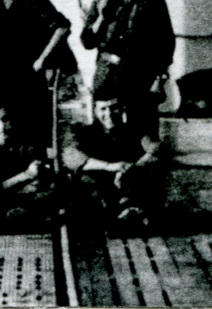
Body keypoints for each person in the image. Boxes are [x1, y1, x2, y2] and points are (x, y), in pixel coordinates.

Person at [80, 0, 175, 140]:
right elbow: (87, 42)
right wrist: (101, 17)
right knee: (106, 130)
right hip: (107, 75)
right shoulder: (100, 1)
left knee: (143, 129)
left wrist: (159, 78)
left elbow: (166, 42)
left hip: (141, 74)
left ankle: (142, 168)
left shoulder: (152, 0)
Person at [0, 0, 75, 146]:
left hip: (28, 76)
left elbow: (63, 27)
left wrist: (42, 59)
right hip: (1, 76)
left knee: (31, 129)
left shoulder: (34, 1)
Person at [63, 96, 160, 231]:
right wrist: (109, 167)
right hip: (99, 189)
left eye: (114, 108)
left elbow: (156, 148)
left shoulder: (135, 130)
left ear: (122, 110)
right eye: (103, 109)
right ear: (95, 111)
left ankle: (131, 211)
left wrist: (129, 169)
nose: (109, 114)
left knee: (150, 173)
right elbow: (71, 157)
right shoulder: (83, 132)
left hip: (127, 184)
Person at [0, 104, 56, 233]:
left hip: (21, 192)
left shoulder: (18, 140)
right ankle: (4, 220)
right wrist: (27, 174)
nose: (2, 126)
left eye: (6, 120)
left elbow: (37, 154)